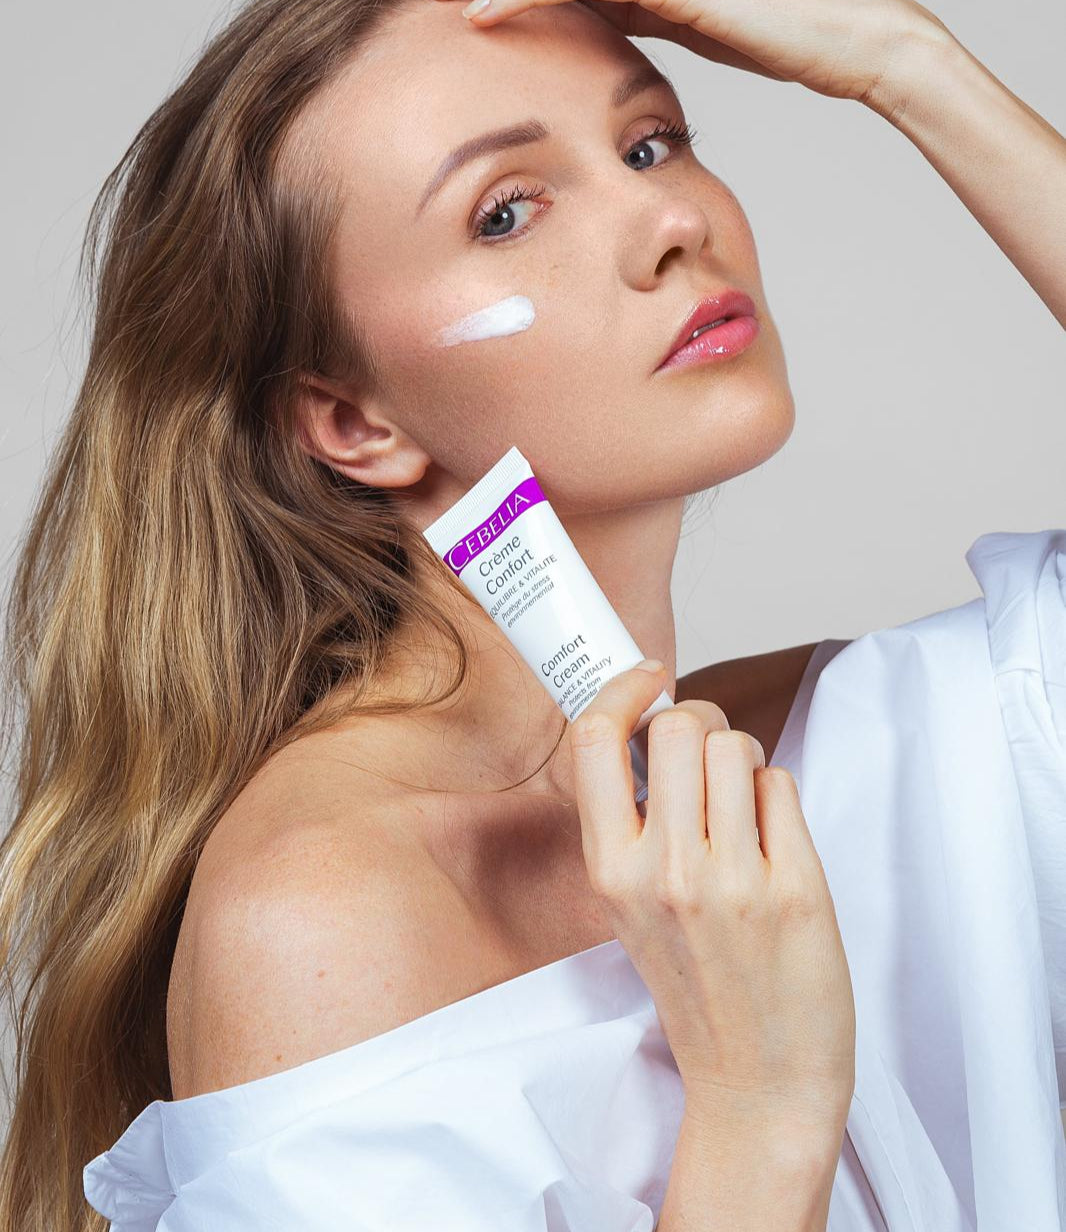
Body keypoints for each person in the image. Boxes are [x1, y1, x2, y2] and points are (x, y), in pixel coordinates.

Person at [0, 0, 1060, 1225]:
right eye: (504, 212)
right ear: (354, 420)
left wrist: (908, 64)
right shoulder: (323, 918)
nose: (671, 222)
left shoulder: (879, 746)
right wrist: (759, 1109)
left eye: (651, 143)